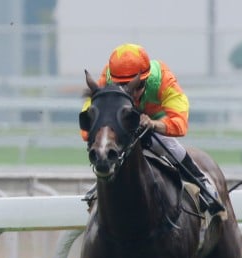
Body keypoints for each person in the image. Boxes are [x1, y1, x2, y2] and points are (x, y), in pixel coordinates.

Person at [80, 43, 224, 214]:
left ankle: (202, 183)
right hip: (124, 124)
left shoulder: (164, 80)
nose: (129, 93)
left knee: (168, 144)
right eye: (121, 86)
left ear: (146, 80)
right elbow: (89, 113)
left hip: (156, 124)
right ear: (112, 79)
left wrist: (154, 124)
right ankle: (100, 186)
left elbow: (180, 123)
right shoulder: (108, 76)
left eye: (135, 87)